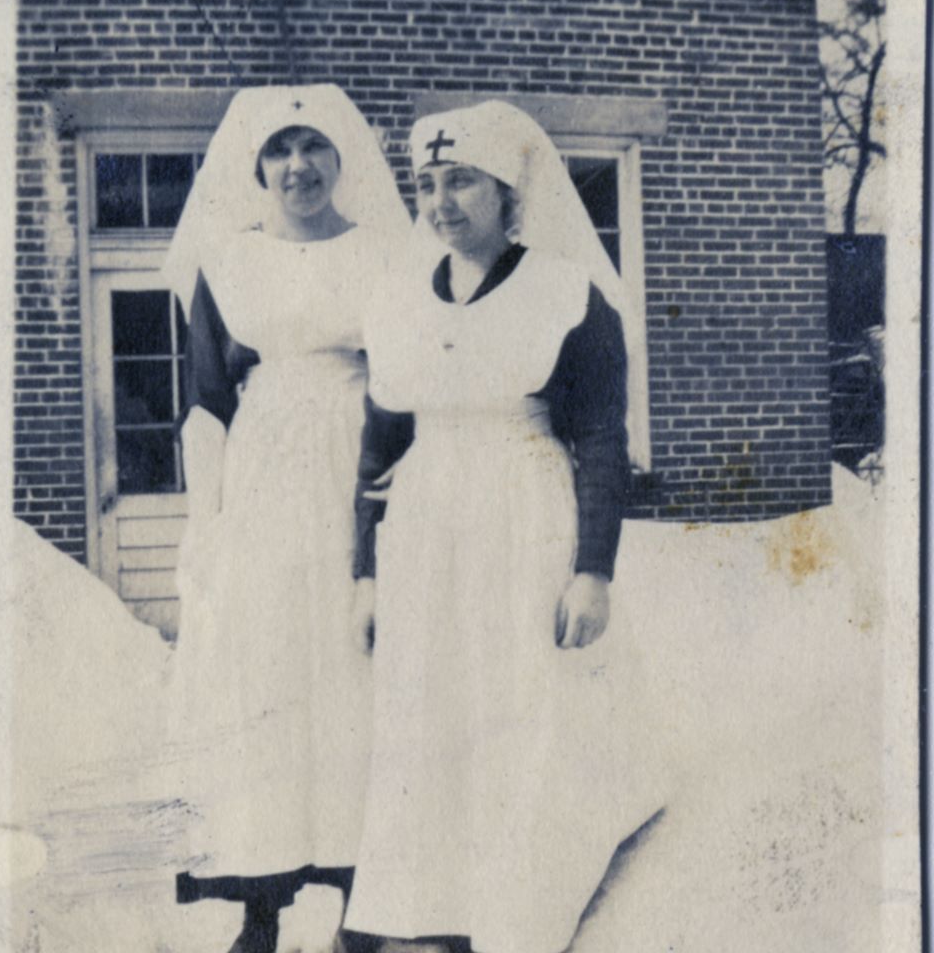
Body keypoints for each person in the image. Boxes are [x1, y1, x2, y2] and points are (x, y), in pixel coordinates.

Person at [343, 101, 666, 953]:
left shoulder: (568, 295)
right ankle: (434, 907)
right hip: (423, 526)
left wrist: (592, 568)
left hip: (524, 514)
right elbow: (379, 446)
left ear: (508, 189)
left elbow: (601, 437)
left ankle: (516, 910)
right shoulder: (396, 301)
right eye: (430, 184)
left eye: (463, 182)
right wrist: (364, 572)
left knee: (519, 708)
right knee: (432, 711)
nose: (444, 202)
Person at [161, 85, 410, 953]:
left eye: (314, 148)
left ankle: (360, 895)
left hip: (355, 458)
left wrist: (387, 498)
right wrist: (209, 518)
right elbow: (205, 399)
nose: (297, 166)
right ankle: (259, 899)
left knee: (352, 670)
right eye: (279, 151)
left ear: (343, 160)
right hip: (262, 471)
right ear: (256, 165)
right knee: (262, 672)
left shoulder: (387, 254)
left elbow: (404, 380)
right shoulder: (225, 262)